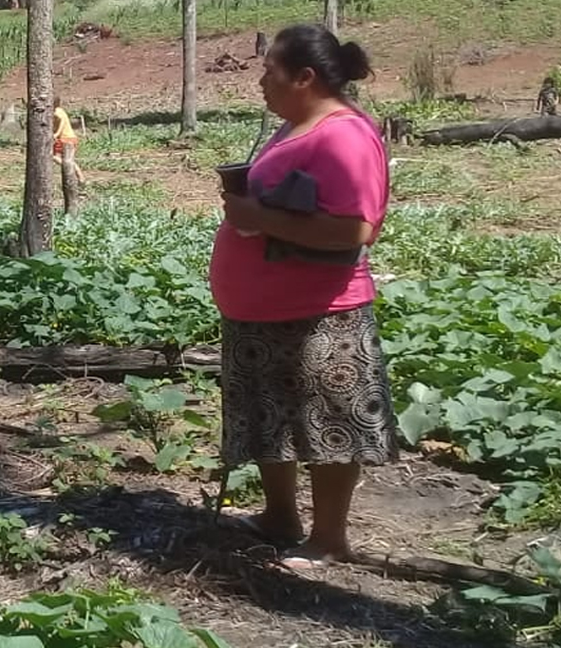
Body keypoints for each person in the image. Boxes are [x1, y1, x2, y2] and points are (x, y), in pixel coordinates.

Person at [209, 23, 398, 569]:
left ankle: (329, 538)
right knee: (272, 417)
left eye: (270, 70)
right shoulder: (295, 127)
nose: (261, 81)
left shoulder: (344, 136)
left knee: (328, 425)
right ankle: (280, 517)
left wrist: (259, 217)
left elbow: (355, 229)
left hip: (319, 315)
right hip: (263, 312)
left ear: (305, 77)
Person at [52, 96, 85, 184]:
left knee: (55, 157)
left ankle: (78, 174)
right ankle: (78, 177)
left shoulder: (56, 113)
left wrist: (56, 134)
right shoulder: (60, 110)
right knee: (67, 159)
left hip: (64, 138)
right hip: (70, 137)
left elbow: (62, 123)